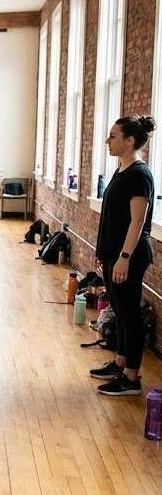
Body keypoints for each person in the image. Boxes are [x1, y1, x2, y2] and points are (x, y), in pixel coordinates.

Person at [89, 115, 157, 396]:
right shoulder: (122, 170)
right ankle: (120, 362)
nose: (108, 140)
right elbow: (112, 218)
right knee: (118, 309)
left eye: (113, 135)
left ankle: (131, 377)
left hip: (129, 256)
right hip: (114, 254)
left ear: (130, 141)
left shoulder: (139, 175)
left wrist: (124, 257)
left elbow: (137, 221)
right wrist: (104, 252)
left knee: (129, 314)